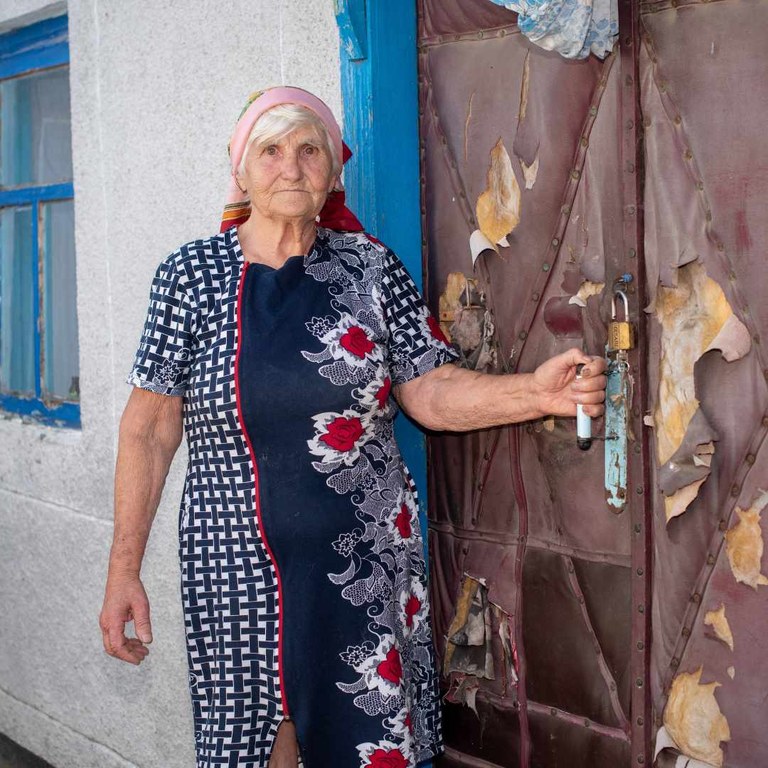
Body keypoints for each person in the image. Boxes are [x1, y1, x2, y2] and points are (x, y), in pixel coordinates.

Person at [99, 86, 606, 768]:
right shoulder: (190, 278)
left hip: (364, 566)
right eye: (271, 150)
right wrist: (123, 569)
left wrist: (534, 394)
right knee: (261, 750)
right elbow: (149, 430)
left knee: (368, 746)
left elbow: (429, 390)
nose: (291, 167)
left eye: (310, 150)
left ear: (333, 171)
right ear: (240, 169)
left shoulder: (369, 269)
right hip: (237, 571)